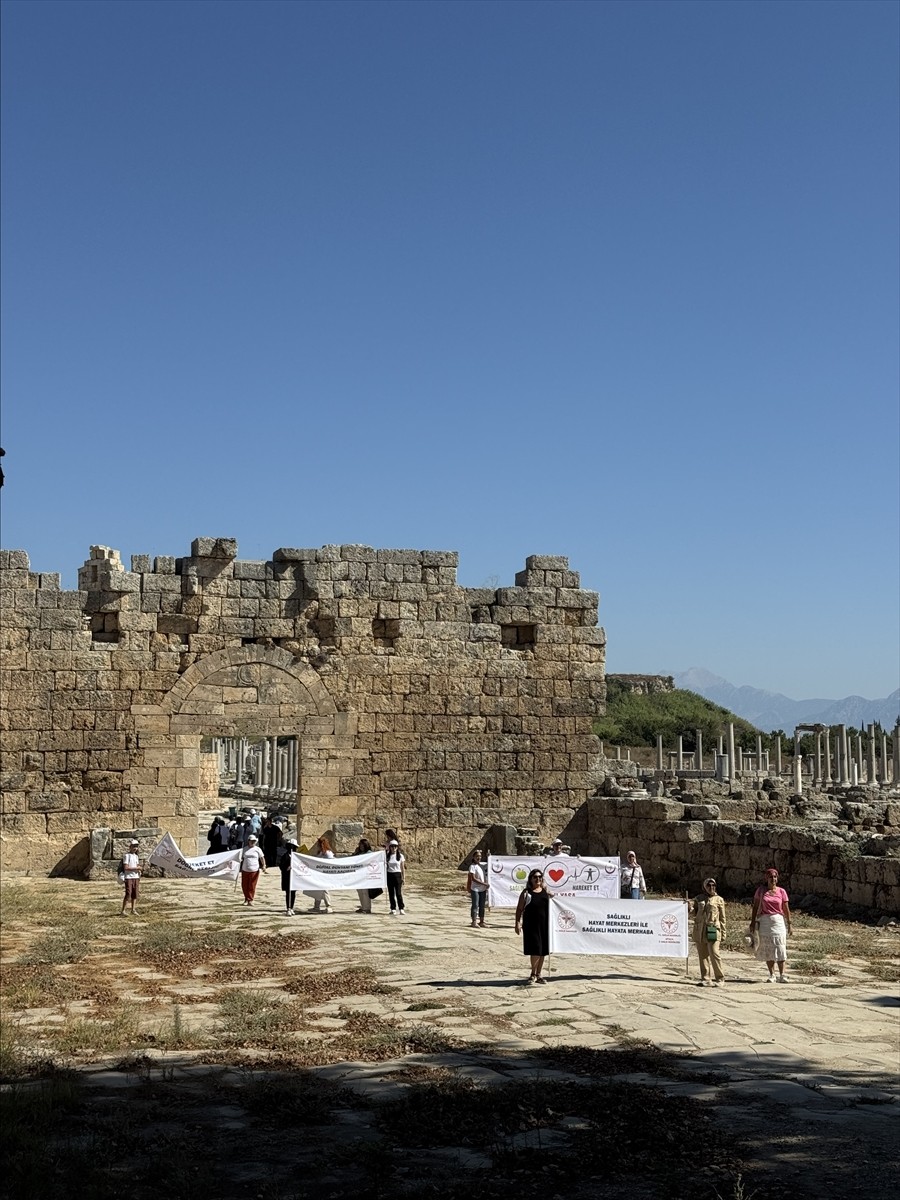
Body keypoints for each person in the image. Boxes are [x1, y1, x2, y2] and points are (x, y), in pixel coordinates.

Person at [750, 867, 792, 982]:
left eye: (775, 877)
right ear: (766, 878)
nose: (773, 879)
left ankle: (782, 974)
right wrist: (752, 922)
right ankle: (772, 974)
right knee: (768, 948)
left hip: (778, 921)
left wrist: (789, 923)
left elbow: (786, 908)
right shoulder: (761, 891)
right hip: (765, 921)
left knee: (780, 947)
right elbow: (755, 906)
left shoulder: (781, 891)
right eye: (771, 877)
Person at [514, 868, 552, 984]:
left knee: (543, 950)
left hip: (545, 925)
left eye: (540, 877)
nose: (538, 879)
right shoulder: (526, 893)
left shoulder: (545, 891)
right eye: (535, 877)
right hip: (531, 925)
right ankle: (533, 974)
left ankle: (539, 974)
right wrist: (517, 923)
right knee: (535, 949)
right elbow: (519, 909)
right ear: (530, 879)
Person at [692, 877, 727, 986]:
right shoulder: (698, 899)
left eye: (713, 885)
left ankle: (720, 978)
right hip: (700, 929)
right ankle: (706, 978)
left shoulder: (719, 899)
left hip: (713, 929)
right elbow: (693, 913)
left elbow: (722, 918)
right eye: (709, 885)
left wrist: (723, 932)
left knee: (714, 953)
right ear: (704, 887)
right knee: (703, 954)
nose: (711, 887)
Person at [306, 835, 334, 913]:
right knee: (317, 890)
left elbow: (331, 863)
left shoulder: (328, 853)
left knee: (325, 890)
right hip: (318, 874)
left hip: (325, 874)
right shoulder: (320, 853)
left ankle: (329, 906)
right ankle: (316, 907)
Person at [239, 834, 268, 905]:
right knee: (244, 885)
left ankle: (250, 899)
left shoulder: (258, 849)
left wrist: (264, 865)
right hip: (245, 869)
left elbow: (262, 858)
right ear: (248, 841)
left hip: (254, 870)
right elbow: (240, 858)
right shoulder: (244, 849)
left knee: (252, 885)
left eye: (254, 841)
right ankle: (246, 899)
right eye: (251, 841)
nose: (253, 842)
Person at [354, 838, 378, 913]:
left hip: (366, 875)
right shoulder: (359, 853)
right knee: (360, 891)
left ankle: (367, 908)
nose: (360, 846)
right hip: (359, 875)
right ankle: (363, 906)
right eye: (359, 845)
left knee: (365, 892)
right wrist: (355, 853)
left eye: (362, 845)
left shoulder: (369, 853)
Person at [467, 849, 488, 928]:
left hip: (483, 889)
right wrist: (484, 883)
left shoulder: (482, 865)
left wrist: (489, 857)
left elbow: (490, 864)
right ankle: (474, 921)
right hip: (475, 889)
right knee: (475, 905)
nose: (479, 858)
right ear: (474, 857)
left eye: (480, 856)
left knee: (482, 905)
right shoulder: (472, 867)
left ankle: (481, 921)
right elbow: (473, 878)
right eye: (477, 856)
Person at [120, 839, 142, 915]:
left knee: (135, 894)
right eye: (134, 846)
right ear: (130, 847)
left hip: (136, 877)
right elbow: (126, 867)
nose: (135, 848)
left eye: (136, 846)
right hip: (129, 877)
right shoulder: (127, 856)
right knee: (128, 893)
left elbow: (137, 865)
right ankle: (123, 910)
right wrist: (137, 868)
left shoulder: (136, 856)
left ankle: (133, 909)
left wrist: (140, 868)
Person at [386, 838, 406, 915]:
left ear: (397, 847)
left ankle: (401, 908)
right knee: (391, 893)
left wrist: (403, 877)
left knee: (398, 893)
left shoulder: (400, 856)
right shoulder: (387, 856)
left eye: (395, 846)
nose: (394, 848)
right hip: (390, 875)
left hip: (397, 875)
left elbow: (402, 868)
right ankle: (393, 908)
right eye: (392, 846)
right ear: (390, 847)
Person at [279, 839, 298, 915]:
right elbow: (281, 866)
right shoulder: (285, 856)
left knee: (293, 893)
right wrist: (287, 868)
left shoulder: (296, 856)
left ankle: (292, 907)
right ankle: (288, 908)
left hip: (294, 878)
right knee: (288, 893)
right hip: (287, 877)